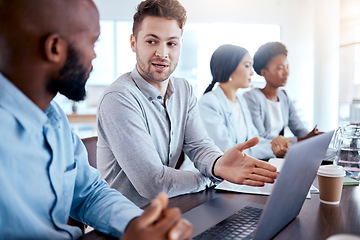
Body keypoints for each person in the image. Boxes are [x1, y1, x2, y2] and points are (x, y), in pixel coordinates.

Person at [0, 0, 193, 239]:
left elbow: (88, 193)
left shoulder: (55, 119)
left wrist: (135, 224)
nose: (94, 54)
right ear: (55, 48)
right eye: (92, 42)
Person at [97, 0, 278, 208]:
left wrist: (218, 164)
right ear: (133, 43)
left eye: (171, 43)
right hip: (126, 221)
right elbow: (152, 183)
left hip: (170, 208)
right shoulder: (119, 98)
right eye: (151, 41)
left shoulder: (184, 89)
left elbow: (199, 146)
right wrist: (212, 176)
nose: (163, 53)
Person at [198, 44, 290, 159]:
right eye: (247, 66)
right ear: (229, 68)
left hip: (238, 168)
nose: (252, 72)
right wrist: (272, 149)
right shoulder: (209, 103)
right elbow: (228, 150)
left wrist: (276, 144)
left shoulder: (240, 101)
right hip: (215, 173)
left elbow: (253, 139)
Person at [243, 42, 322, 143]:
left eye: (287, 67)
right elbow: (260, 137)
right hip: (265, 154)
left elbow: (299, 130)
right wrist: (299, 140)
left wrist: (314, 136)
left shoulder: (283, 96)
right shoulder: (252, 97)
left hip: (281, 152)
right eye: (280, 68)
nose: (286, 73)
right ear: (264, 73)